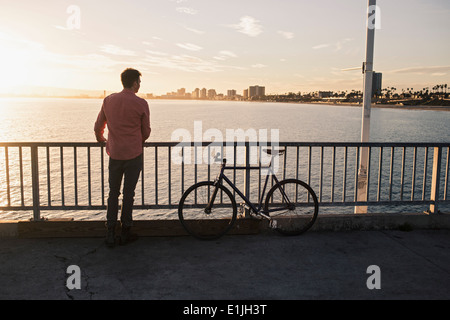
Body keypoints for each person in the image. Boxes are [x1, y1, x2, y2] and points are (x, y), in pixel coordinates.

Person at [94, 68, 151, 247]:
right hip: (134, 154)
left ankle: (110, 232)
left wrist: (101, 138)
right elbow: (146, 132)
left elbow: (98, 126)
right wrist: (136, 139)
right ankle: (126, 231)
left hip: (115, 154)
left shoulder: (109, 100)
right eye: (139, 82)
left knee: (113, 193)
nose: (140, 85)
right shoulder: (141, 103)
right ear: (134, 83)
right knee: (128, 194)